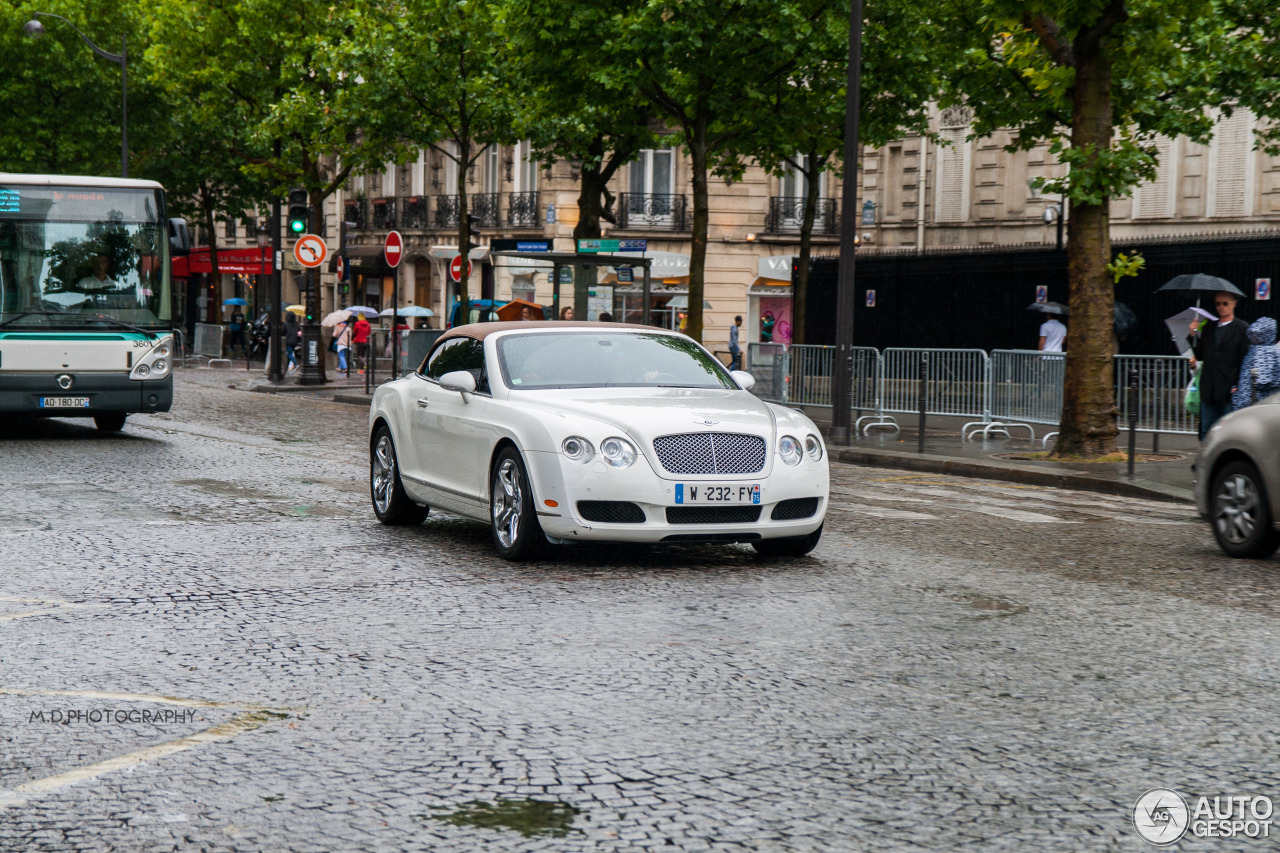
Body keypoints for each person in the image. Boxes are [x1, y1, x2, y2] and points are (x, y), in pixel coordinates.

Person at [1189, 291, 1250, 438]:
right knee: (1206, 430)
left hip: (1229, 389)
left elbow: (1244, 359)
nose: (1221, 307)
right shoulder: (1209, 327)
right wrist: (1193, 335)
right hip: (1209, 387)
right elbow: (1200, 355)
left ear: (1234, 303)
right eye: (1218, 304)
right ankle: (1205, 460)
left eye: (1225, 303)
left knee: (1228, 432)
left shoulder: (1242, 328)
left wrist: (1237, 384)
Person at [1232, 317, 1280, 409]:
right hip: (1251, 402)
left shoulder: (1266, 352)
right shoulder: (1255, 349)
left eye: (1257, 335)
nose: (1254, 337)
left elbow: (1261, 382)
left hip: (1257, 404)